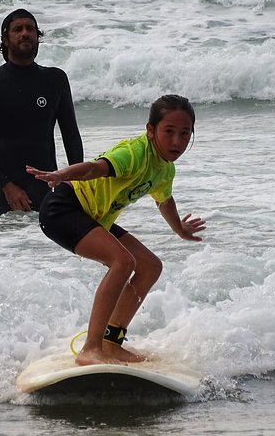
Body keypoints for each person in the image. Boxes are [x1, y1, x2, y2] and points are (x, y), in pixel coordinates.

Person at [26, 94, 206, 366]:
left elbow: (164, 200)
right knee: (122, 261)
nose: (177, 142)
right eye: (168, 132)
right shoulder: (134, 153)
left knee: (150, 266)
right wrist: (63, 174)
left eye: (185, 133)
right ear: (150, 130)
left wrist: (179, 229)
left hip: (93, 215)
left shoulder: (165, 170)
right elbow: (95, 168)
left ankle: (111, 343)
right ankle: (91, 348)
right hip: (63, 208)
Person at [0, 8, 84, 214]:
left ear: (37, 37)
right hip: (5, 197)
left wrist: (76, 183)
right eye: (17, 29)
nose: (25, 33)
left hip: (47, 190)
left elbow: (71, 136)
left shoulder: (55, 80)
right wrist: (7, 186)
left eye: (30, 29)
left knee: (48, 245)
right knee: (5, 245)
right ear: (5, 39)